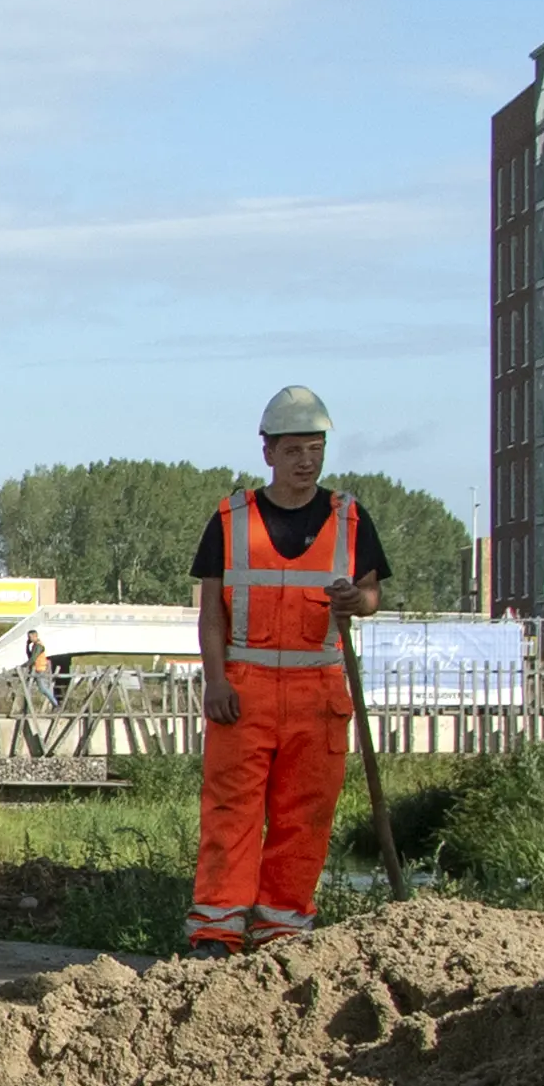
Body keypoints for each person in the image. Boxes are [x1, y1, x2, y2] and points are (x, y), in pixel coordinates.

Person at [186, 387, 390, 953]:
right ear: (269, 452)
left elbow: (372, 593)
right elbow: (211, 615)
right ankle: (217, 931)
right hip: (244, 693)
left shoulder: (349, 519)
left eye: (316, 449)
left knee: (305, 818)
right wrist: (217, 681)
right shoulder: (231, 520)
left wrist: (359, 602)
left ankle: (282, 931)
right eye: (295, 449)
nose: (307, 461)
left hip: (317, 695)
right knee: (231, 811)